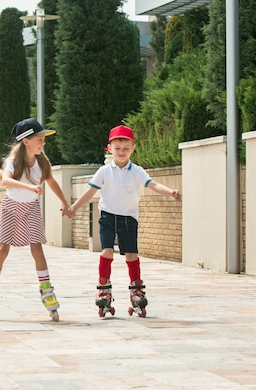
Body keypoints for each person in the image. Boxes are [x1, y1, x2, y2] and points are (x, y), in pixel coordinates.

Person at [67, 125, 181, 318]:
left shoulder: (136, 171)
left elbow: (152, 184)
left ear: (133, 148)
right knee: (107, 251)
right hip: (108, 216)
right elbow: (90, 192)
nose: (121, 152)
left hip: (129, 218)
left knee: (131, 254)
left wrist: (170, 191)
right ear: (109, 148)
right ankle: (104, 287)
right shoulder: (104, 171)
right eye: (117, 148)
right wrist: (74, 207)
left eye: (126, 148)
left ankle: (136, 289)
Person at [0, 118, 71, 322]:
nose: (42, 142)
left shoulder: (42, 161)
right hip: (11, 207)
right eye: (39, 138)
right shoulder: (14, 161)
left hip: (31, 208)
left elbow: (51, 181)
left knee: (37, 247)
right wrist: (30, 187)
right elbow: (6, 180)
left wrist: (65, 202)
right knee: (3, 249)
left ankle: (47, 291)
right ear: (26, 141)